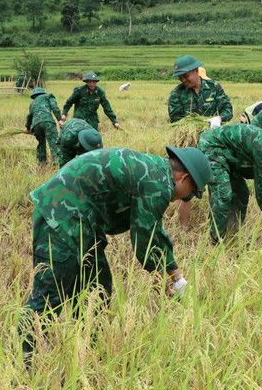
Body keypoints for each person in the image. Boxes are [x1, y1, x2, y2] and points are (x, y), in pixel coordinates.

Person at [20, 146, 212, 365]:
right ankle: (28, 360)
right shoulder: (158, 183)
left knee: (97, 286)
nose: (186, 198)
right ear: (184, 178)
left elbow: (154, 230)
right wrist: (157, 275)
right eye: (191, 192)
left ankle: (89, 351)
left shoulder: (156, 172)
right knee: (51, 290)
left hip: (83, 218)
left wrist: (175, 273)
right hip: (60, 211)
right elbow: (143, 237)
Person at [168, 55, 233, 127]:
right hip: (189, 135)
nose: (183, 80)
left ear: (196, 70)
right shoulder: (176, 94)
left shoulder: (214, 88)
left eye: (186, 76)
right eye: (180, 77)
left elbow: (227, 110)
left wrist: (219, 119)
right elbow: (175, 121)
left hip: (213, 133)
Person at [24, 87, 62, 165]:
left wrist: (27, 128)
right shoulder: (48, 96)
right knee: (54, 143)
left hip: (36, 125)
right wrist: (59, 119)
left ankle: (41, 163)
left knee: (41, 143)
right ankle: (57, 163)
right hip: (48, 122)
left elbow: (30, 116)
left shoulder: (32, 103)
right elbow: (54, 108)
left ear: (34, 96)